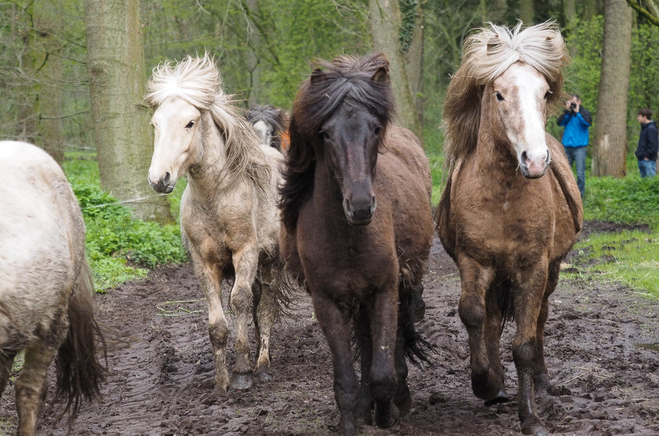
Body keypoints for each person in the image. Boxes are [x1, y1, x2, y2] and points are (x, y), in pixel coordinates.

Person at [556, 95, 592, 198]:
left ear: (579, 102)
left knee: (580, 174)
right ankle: (566, 193)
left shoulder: (584, 113)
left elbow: (588, 123)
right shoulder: (568, 114)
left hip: (580, 148)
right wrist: (566, 111)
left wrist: (577, 112)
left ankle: (579, 195)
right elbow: (559, 123)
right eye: (570, 101)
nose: (572, 103)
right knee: (565, 172)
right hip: (567, 147)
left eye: (574, 101)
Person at [635, 108, 658, 178]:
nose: (637, 118)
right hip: (642, 158)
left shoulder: (651, 128)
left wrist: (647, 156)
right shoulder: (644, 128)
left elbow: (653, 145)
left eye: (639, 116)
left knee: (650, 183)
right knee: (644, 184)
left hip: (648, 161)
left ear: (644, 117)